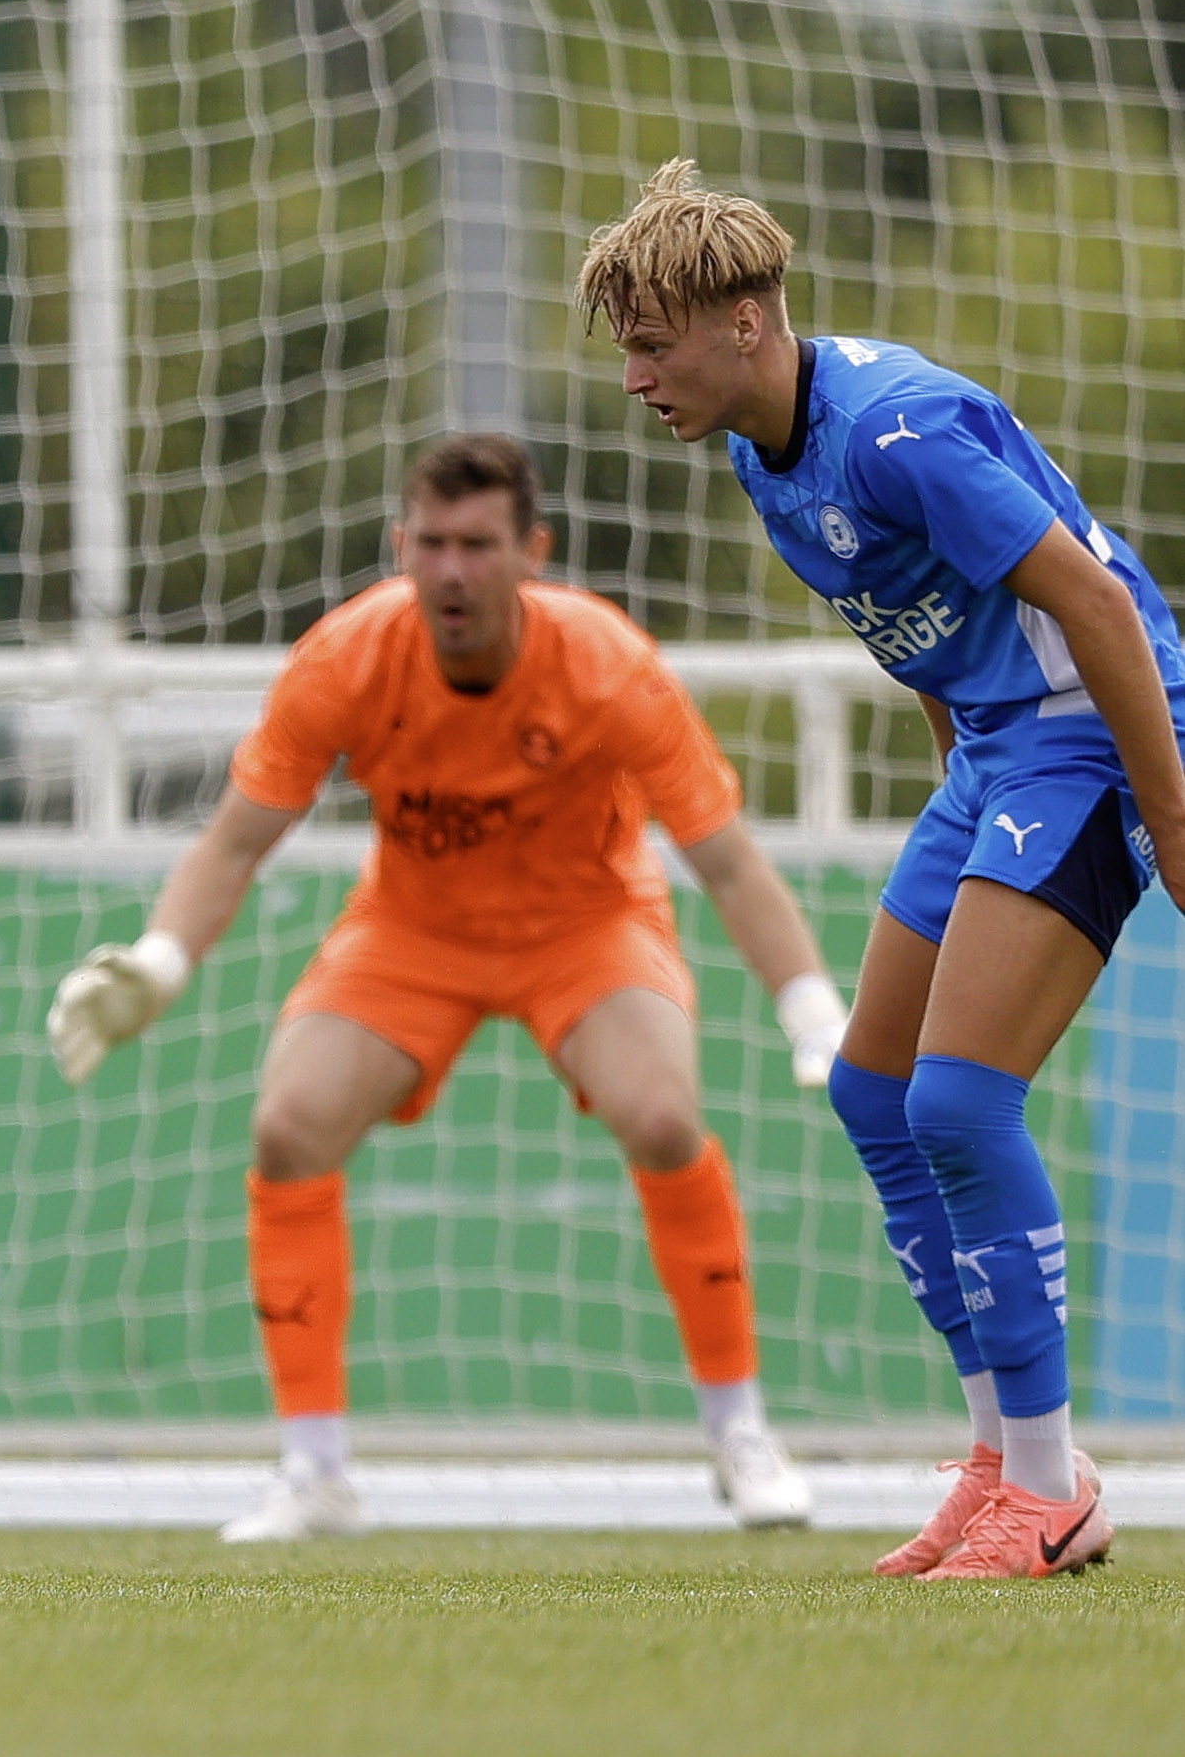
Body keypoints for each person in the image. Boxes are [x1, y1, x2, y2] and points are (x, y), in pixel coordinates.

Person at [45, 434, 841, 1544]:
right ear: (399, 548)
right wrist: (159, 961)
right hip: (413, 927)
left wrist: (809, 1006)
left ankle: (739, 1432)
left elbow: (724, 858)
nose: (453, 569)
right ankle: (313, 1469)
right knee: (286, 1125)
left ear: (532, 554)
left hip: (586, 922)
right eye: (431, 543)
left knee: (662, 1116)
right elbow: (231, 846)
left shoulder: (605, 665)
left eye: (478, 544)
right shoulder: (346, 660)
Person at [582, 159, 1180, 1581]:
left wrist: (1171, 815)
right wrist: (964, 784)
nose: (635, 377)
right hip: (994, 753)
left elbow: (1095, 602)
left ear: (745, 320)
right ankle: (999, 1458)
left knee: (965, 1102)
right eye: (626, 349)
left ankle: (1055, 1487)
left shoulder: (897, 433)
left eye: (653, 343)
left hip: (1091, 735)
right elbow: (918, 627)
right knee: (875, 1089)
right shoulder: (755, 450)